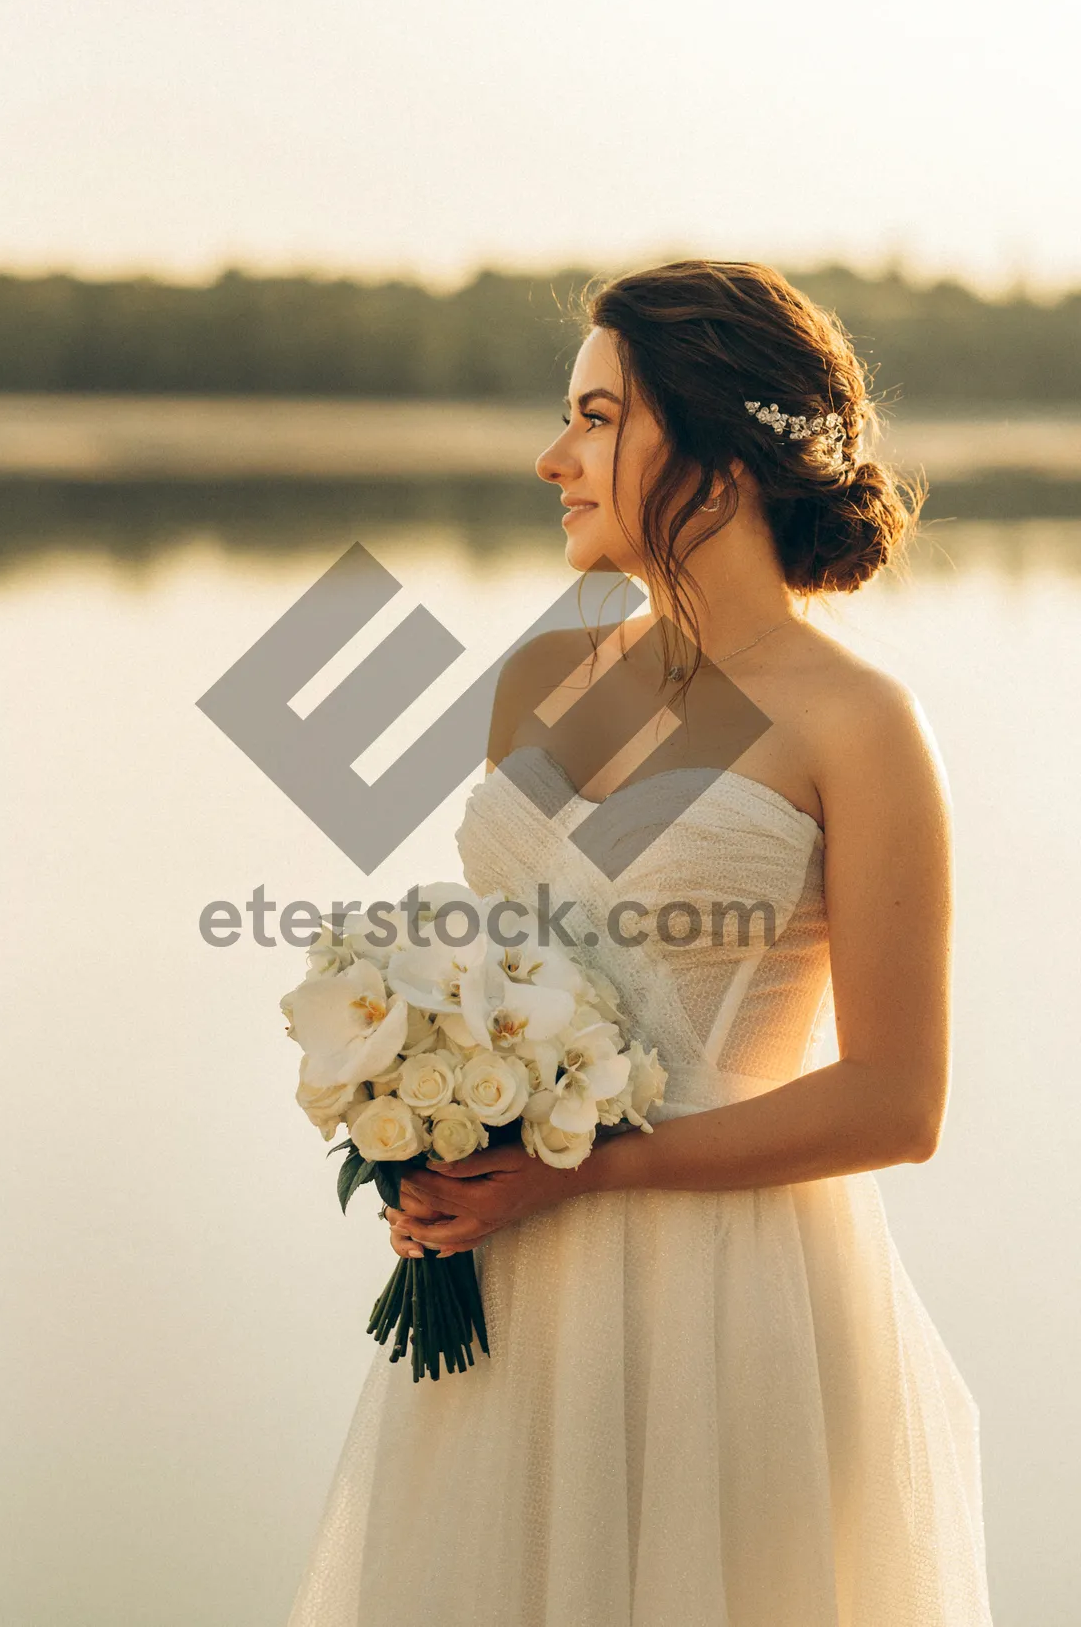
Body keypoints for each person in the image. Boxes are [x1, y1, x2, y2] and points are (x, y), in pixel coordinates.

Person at [286, 260, 993, 1625]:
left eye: (598, 418)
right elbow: (492, 982)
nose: (556, 457)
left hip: (734, 1301)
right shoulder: (541, 681)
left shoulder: (862, 722)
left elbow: (900, 1102)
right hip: (514, 1286)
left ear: (721, 457)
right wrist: (425, 1120)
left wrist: (596, 1171)